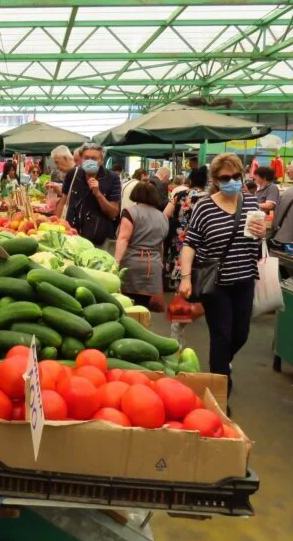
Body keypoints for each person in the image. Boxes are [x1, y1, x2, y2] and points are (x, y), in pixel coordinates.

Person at [178, 153, 265, 397]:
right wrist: (185, 278)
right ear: (215, 180)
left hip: (245, 277)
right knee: (222, 337)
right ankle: (219, 391)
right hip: (216, 283)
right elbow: (190, 243)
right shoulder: (204, 206)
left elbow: (256, 242)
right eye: (225, 178)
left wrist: (262, 233)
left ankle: (222, 366)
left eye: (236, 176)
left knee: (241, 334)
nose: (232, 181)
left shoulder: (250, 203)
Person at [115, 182, 169, 310]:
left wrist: (115, 262)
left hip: (132, 264)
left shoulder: (130, 212)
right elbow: (161, 245)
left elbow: (123, 237)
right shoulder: (163, 217)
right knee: (144, 309)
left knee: (128, 306)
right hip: (154, 265)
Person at [62, 143, 122, 247]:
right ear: (81, 159)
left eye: (94, 158)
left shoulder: (112, 178)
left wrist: (98, 194)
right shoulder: (72, 174)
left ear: (102, 160)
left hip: (99, 242)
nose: (90, 161)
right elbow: (63, 201)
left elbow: (114, 213)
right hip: (72, 237)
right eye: (86, 158)